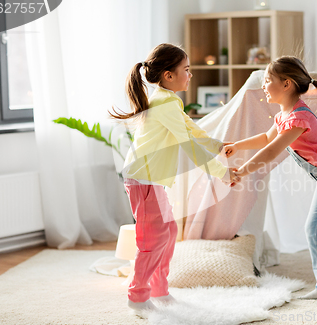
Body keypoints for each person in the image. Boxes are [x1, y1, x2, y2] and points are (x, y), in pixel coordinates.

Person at [110, 43, 239, 316]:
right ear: (168, 75)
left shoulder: (168, 101)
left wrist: (217, 145)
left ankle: (159, 290)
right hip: (143, 179)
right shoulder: (165, 104)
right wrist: (222, 173)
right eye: (187, 70)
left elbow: (192, 128)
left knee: (167, 234)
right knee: (152, 239)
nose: (190, 75)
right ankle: (137, 295)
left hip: (151, 180)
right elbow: (189, 146)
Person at [224, 56, 317, 299]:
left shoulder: (298, 118)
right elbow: (266, 139)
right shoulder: (284, 115)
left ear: (286, 84)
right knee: (313, 231)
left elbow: (271, 151)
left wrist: (242, 171)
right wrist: (237, 145)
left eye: (268, 81)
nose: (263, 87)